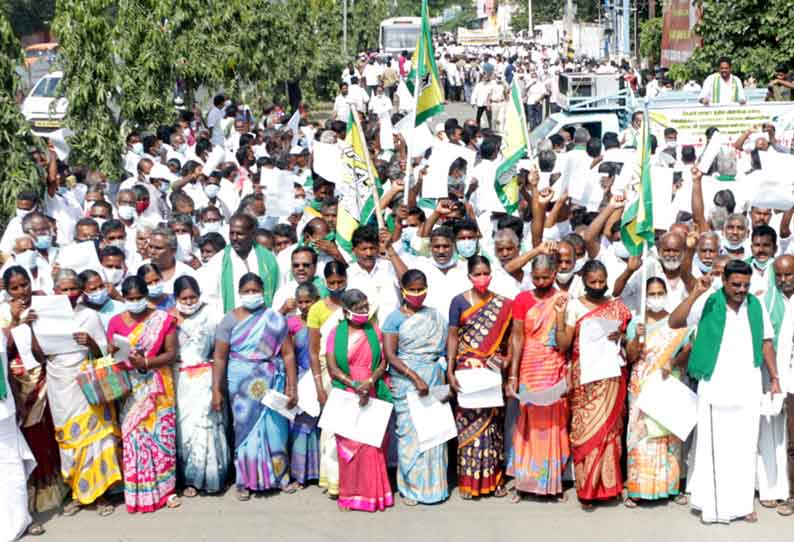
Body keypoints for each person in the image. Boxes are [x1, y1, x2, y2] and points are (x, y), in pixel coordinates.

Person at [670, 260, 779, 524]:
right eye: (736, 285)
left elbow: (766, 342)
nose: (742, 290)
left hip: (748, 384)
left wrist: (774, 377)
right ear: (724, 282)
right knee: (712, 444)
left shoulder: (756, 305)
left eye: (746, 285)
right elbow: (675, 321)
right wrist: (696, 292)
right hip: (715, 382)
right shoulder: (708, 300)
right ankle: (711, 505)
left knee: (744, 444)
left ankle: (742, 505)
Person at [211, 273, 297, 500]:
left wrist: (292, 386)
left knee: (275, 429)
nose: (252, 295)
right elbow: (219, 357)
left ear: (264, 292)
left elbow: (288, 354)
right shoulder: (228, 321)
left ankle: (280, 477)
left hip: (271, 379)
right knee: (245, 431)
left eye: (255, 291)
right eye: (247, 291)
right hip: (241, 382)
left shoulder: (275, 319)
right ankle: (245, 481)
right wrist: (216, 390)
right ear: (239, 294)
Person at [556, 260, 631, 509]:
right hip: (585, 378)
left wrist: (622, 335)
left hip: (610, 377)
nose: (598, 286)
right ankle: (586, 491)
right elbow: (564, 344)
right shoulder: (575, 307)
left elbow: (628, 341)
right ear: (585, 282)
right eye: (593, 282)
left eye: (602, 281)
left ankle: (609, 487)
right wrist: (559, 316)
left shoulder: (617, 307)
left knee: (610, 432)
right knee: (586, 431)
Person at [47, 269, 122, 517]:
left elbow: (105, 353)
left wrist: (90, 343)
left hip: (86, 383)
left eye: (73, 289)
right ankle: (80, 493)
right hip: (59, 385)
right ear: (55, 291)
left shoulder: (89, 315)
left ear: (80, 291)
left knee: (97, 439)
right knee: (70, 442)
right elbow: (36, 355)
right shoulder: (44, 317)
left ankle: (101, 495)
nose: (69, 294)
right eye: (63, 289)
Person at [0, 266, 68, 526]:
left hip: (42, 374)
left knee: (47, 432)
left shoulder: (43, 300)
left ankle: (53, 486)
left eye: (24, 284)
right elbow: (3, 348)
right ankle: (31, 493)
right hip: (16, 381)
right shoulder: (4, 312)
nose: (21, 291)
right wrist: (17, 322)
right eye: (14, 287)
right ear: (7, 291)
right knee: (28, 435)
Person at [107, 276, 180, 513]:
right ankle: (139, 491)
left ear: (146, 295)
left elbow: (171, 353)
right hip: (130, 388)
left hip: (159, 385)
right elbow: (114, 354)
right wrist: (113, 350)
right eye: (131, 299)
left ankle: (167, 491)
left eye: (140, 298)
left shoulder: (163, 319)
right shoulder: (116, 322)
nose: (136, 302)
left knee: (162, 438)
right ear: (124, 298)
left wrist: (146, 361)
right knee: (134, 438)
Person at [447, 255, 513, 499]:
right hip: (466, 370)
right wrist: (450, 369)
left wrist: (506, 363)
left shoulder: (503, 304)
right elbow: (453, 336)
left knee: (493, 428)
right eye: (477, 274)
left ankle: (495, 480)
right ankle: (469, 482)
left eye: (486, 273)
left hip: (492, 370)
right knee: (469, 425)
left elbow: (511, 339)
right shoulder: (458, 302)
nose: (482, 278)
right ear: (469, 276)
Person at [623, 278, 691, 507]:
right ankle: (637, 490)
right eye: (651, 294)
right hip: (642, 383)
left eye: (660, 293)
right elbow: (631, 357)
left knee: (668, 434)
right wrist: (636, 338)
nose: (656, 297)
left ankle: (670, 488)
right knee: (641, 436)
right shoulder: (636, 322)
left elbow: (687, 349)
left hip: (667, 381)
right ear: (645, 297)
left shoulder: (675, 322)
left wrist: (673, 361)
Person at [507, 254, 570, 502]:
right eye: (536, 277)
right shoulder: (522, 299)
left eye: (546, 277)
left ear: (555, 274)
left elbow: (567, 337)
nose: (541, 281)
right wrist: (513, 374)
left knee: (553, 424)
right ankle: (524, 483)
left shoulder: (562, 299)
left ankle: (553, 484)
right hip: (529, 368)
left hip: (554, 365)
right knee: (528, 425)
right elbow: (517, 337)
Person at [383, 270, 449, 506]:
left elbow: (444, 350)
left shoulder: (435, 316)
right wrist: (414, 377)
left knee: (434, 433)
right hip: (407, 381)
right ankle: (410, 488)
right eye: (412, 289)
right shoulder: (394, 319)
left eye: (421, 289)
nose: (417, 294)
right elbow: (390, 355)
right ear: (402, 289)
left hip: (434, 377)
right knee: (410, 435)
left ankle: (434, 487)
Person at [326, 289, 394, 512]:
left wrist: (370, 381)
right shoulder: (336, 334)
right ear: (346, 311)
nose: (364, 311)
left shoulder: (374, 330)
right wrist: (354, 384)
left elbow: (383, 363)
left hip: (371, 390)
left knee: (370, 445)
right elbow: (332, 367)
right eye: (358, 309)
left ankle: (374, 496)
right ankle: (349, 496)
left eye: (366, 306)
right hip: (347, 392)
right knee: (348, 446)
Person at [171, 276, 230, 497]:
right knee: (185, 430)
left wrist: (217, 385)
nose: (188, 302)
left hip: (206, 375)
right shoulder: (169, 318)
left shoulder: (212, 314)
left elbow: (220, 351)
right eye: (183, 298)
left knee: (206, 425)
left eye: (192, 297)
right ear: (176, 298)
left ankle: (212, 478)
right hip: (180, 380)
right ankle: (189, 480)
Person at [307, 260, 348, 499]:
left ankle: (352, 476)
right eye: (331, 283)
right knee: (333, 427)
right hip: (327, 372)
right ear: (324, 283)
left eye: (340, 282)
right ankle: (334, 478)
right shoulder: (317, 310)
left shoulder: (354, 303)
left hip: (352, 372)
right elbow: (314, 350)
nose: (336, 286)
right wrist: (318, 385)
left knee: (352, 427)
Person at [0, 327, 38, 540]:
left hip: (4, 411)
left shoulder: (2, 333)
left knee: (11, 467)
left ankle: (19, 519)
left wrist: (17, 399)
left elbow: (5, 372)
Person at [203, 213, 279, 315]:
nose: (234, 238)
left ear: (252, 234)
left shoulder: (268, 260)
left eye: (239, 234)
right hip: (231, 323)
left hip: (264, 322)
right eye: (231, 233)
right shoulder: (218, 262)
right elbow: (210, 299)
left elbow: (278, 293)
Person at [286, 282, 321, 490]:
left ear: (316, 301)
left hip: (319, 376)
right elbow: (287, 353)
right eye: (301, 302)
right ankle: (300, 474)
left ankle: (319, 472)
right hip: (300, 376)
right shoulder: (291, 324)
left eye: (309, 301)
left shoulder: (323, 321)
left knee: (320, 423)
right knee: (300, 425)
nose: (305, 305)